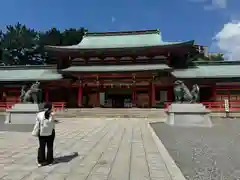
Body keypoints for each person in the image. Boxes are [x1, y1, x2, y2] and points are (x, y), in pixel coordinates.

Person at [33, 103, 55, 167]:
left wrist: (35, 132)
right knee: (50, 147)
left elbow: (37, 124)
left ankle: (41, 161)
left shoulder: (39, 114)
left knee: (41, 147)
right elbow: (52, 123)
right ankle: (49, 161)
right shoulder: (52, 114)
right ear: (50, 107)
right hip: (50, 132)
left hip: (42, 133)